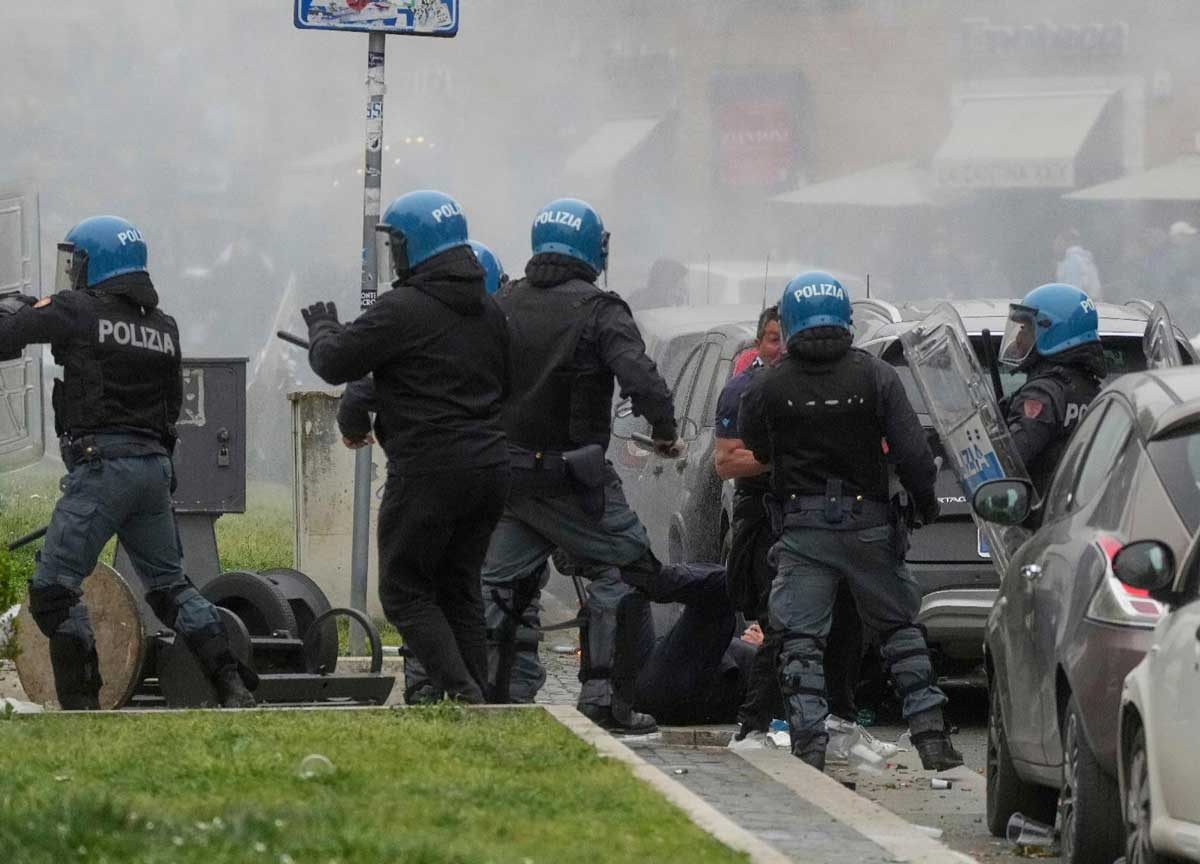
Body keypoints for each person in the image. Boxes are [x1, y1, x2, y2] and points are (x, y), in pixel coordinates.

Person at [0, 215, 256, 709]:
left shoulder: (77, 309)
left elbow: (10, 334)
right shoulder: (163, 326)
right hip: (153, 471)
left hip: (101, 468)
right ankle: (233, 686)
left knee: (53, 591)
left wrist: (17, 308)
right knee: (170, 588)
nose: (73, 272)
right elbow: (170, 406)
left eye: (77, 261)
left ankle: (83, 710)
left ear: (95, 262)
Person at [740, 270, 961, 771]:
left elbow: (756, 444)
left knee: (800, 641)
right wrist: (924, 503)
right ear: (845, 318)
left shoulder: (769, 383)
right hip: (871, 527)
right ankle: (932, 739)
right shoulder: (875, 376)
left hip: (803, 530)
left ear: (790, 322)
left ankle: (809, 745)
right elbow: (913, 454)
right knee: (900, 631)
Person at [480, 197, 682, 732]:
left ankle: (494, 696)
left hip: (508, 480)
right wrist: (665, 431)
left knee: (498, 585)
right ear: (595, 247)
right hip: (576, 482)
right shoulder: (601, 310)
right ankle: (606, 699)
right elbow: (641, 379)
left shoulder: (501, 303)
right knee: (628, 572)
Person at [305, 189, 510, 705]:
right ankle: (477, 697)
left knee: (403, 590)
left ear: (412, 246)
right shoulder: (489, 310)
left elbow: (335, 362)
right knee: (459, 586)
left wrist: (323, 328)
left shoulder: (402, 309)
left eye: (394, 244)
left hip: (428, 469)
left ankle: (462, 691)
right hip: (489, 468)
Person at [714, 305, 863, 740]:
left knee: (845, 617)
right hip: (763, 517)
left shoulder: (824, 385)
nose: (780, 348)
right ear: (759, 343)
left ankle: (842, 719)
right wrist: (787, 457)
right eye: (772, 339)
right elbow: (726, 462)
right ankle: (753, 726)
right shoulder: (742, 390)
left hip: (818, 516)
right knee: (779, 621)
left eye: (787, 338)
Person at [997, 283, 1105, 502]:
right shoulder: (1096, 394)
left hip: (1042, 515)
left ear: (1052, 332)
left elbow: (1009, 461)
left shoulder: (1042, 394)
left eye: (1026, 329)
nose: (1018, 339)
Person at [1053, 228, 1102, 300]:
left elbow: (1073, 292)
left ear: (1065, 242)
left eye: (1057, 242)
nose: (1054, 247)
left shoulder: (1072, 261)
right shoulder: (1086, 260)